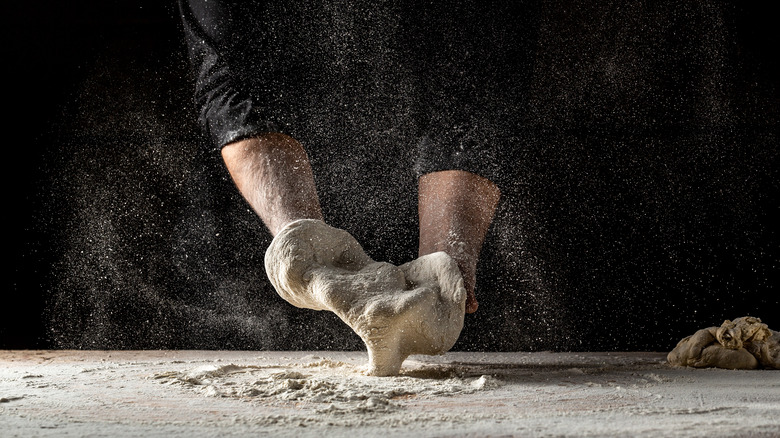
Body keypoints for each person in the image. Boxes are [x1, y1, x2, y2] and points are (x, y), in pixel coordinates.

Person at [179, 0, 503, 314]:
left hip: (442, 209)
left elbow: (475, 88)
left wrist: (446, 255)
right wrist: (301, 241)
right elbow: (231, 84)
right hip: (263, 218)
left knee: (437, 311)